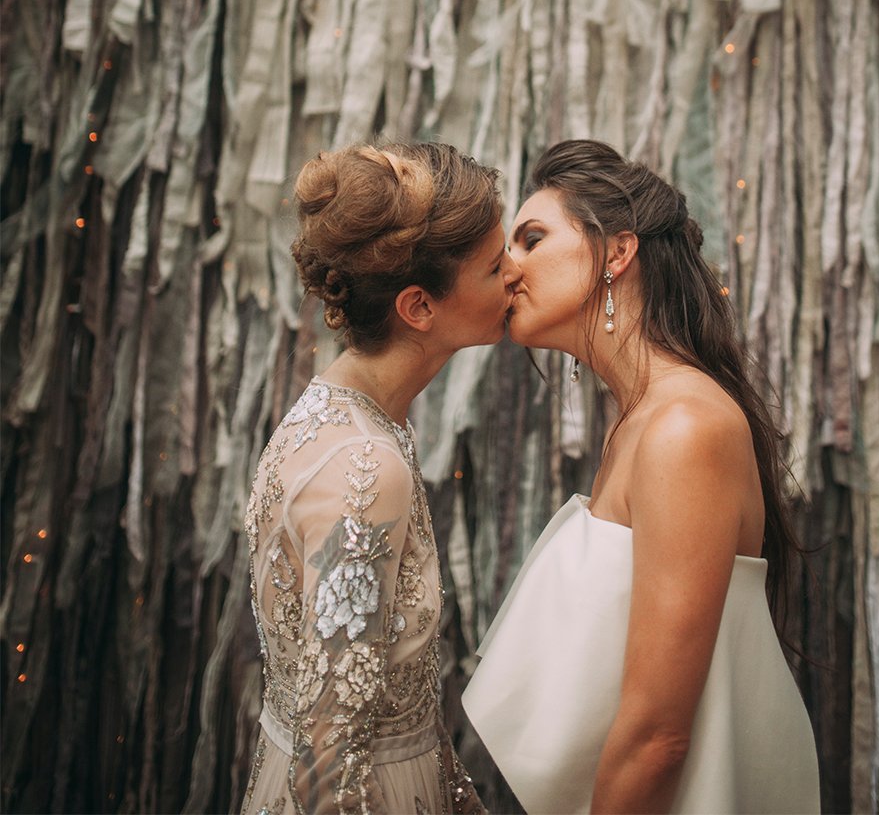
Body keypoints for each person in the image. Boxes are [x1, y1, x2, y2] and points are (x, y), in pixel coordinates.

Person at [463, 139, 820, 815]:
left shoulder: (684, 429)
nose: (508, 270)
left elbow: (658, 737)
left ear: (616, 253)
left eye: (531, 239)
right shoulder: (639, 422)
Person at [241, 140, 520, 815]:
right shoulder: (365, 471)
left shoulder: (339, 416)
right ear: (419, 307)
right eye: (494, 265)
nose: (517, 273)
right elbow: (329, 762)